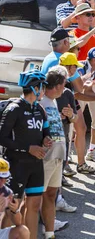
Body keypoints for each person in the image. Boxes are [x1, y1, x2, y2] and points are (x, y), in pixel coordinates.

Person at [0, 70, 51, 239]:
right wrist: (28, 148)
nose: (44, 90)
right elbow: (2, 138)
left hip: (36, 164)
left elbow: (45, 131)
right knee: (11, 207)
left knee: (35, 204)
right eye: (43, 87)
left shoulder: (40, 109)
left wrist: (47, 140)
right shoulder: (14, 109)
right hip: (17, 164)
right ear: (36, 88)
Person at [39, 66, 70, 239]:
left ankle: (49, 232)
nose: (65, 88)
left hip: (57, 156)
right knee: (38, 196)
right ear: (57, 85)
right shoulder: (41, 101)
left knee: (51, 194)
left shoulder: (53, 101)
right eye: (64, 84)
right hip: (46, 157)